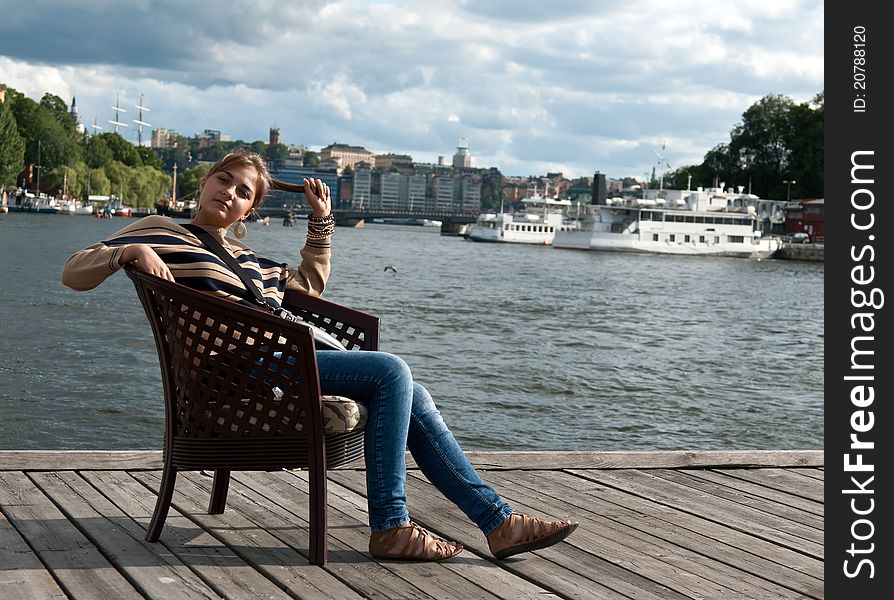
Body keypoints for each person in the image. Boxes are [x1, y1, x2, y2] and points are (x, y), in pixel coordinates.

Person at [61, 147, 578, 562]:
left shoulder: (248, 257)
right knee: (392, 371)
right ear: (205, 183)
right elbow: (73, 272)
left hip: (278, 366)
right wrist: (127, 251)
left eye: (244, 192)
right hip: (236, 375)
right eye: (224, 180)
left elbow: (305, 288)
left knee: (410, 390)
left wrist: (321, 222)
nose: (230, 193)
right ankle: (393, 525)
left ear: (249, 211)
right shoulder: (159, 229)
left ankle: (498, 522)